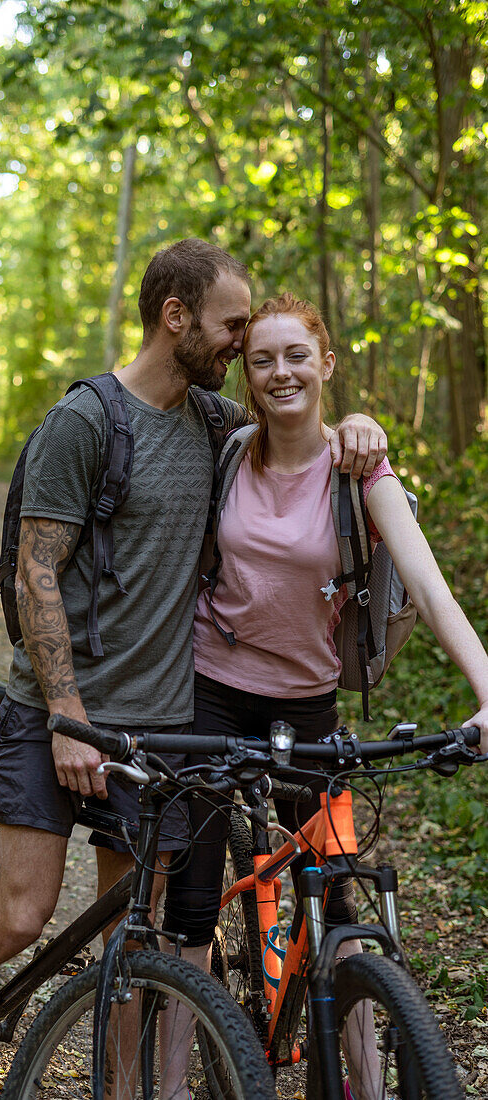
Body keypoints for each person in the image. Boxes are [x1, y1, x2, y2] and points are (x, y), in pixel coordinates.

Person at [0, 243, 387, 1100]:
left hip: (162, 729)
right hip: (57, 716)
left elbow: (302, 439)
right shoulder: (85, 423)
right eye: (231, 325)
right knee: (21, 915)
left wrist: (362, 431)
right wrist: (69, 717)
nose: (239, 342)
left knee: (134, 947)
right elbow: (35, 572)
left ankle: (126, 1090)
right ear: (175, 317)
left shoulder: (216, 426)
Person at [168, 291, 488, 1100]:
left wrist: (487, 690)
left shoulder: (359, 471)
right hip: (210, 692)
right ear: (247, 371)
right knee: (193, 907)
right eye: (263, 359)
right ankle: (168, 1085)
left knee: (339, 905)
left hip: (306, 706)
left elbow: (429, 585)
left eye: (295, 356)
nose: (280, 372)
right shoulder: (227, 452)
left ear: (325, 364)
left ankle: (365, 1088)